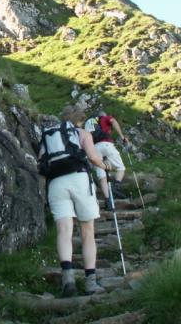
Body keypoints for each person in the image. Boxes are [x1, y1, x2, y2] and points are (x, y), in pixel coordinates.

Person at [41, 105, 108, 297]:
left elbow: (41, 161)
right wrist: (106, 166)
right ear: (79, 120)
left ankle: (68, 281)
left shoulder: (50, 135)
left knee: (64, 232)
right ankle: (91, 283)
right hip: (79, 179)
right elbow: (94, 157)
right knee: (87, 232)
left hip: (56, 184)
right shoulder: (82, 133)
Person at [92, 111, 129, 208]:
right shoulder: (106, 118)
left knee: (102, 175)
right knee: (121, 168)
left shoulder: (91, 124)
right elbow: (114, 121)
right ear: (102, 115)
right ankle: (116, 186)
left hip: (95, 147)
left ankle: (108, 201)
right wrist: (122, 136)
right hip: (106, 144)